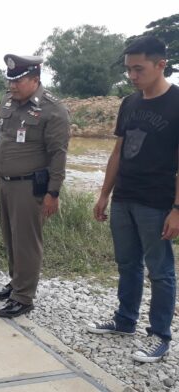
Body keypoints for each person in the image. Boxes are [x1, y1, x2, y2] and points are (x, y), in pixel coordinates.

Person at [86, 36, 179, 363]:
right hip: (124, 197)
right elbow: (118, 151)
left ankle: (160, 336)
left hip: (157, 203)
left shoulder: (177, 103)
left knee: (160, 271)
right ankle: (125, 320)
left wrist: (177, 210)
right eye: (128, 70)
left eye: (138, 69)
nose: (132, 76)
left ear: (160, 64)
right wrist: (104, 193)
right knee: (127, 264)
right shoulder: (129, 103)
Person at [0, 54, 70, 318]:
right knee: (11, 238)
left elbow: (58, 154)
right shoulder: (7, 100)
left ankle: (24, 298)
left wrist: (53, 192)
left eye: (18, 81)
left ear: (35, 80)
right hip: (4, 183)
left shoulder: (53, 110)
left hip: (29, 188)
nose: (12, 85)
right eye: (10, 80)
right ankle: (16, 283)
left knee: (27, 242)